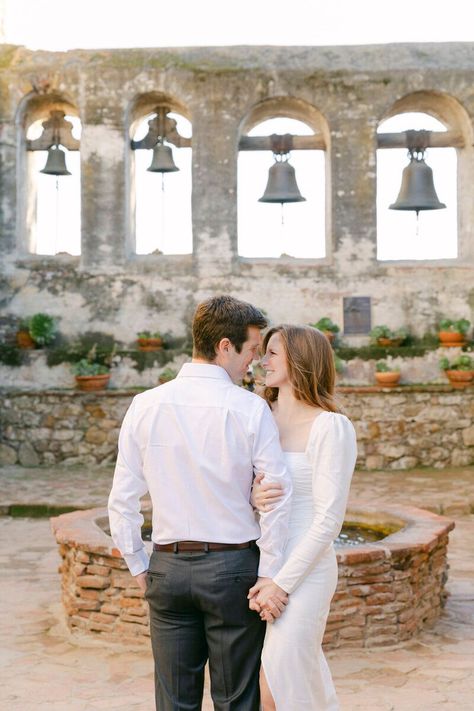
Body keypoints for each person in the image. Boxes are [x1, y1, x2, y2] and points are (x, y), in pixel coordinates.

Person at [107, 295, 292, 711]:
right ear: (225, 347)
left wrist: (139, 565)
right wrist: (269, 572)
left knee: (173, 703)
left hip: (168, 570)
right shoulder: (248, 409)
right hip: (233, 573)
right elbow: (278, 496)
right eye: (251, 351)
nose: (253, 362)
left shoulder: (144, 405)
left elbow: (121, 502)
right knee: (237, 701)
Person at [248, 324, 357, 711]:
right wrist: (253, 495)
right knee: (293, 675)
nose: (263, 360)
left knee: (278, 677)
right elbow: (238, 485)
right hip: (260, 563)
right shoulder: (257, 415)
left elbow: (329, 519)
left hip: (306, 571)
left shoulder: (331, 426)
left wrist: (282, 583)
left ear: (300, 360)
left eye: (273, 353)